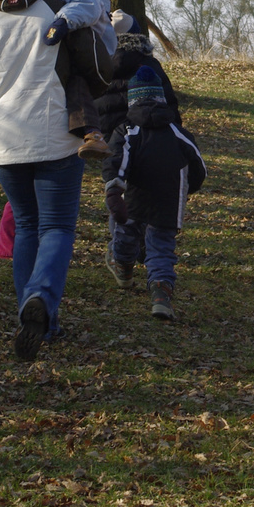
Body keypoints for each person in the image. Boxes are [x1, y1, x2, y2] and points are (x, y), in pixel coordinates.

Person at [0, 0, 109, 360]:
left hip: (3, 141)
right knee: (57, 228)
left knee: (26, 226)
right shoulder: (53, 11)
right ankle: (41, 299)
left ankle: (38, 318)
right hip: (54, 136)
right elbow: (93, 65)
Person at [102, 67, 207, 320]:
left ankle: (124, 270)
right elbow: (198, 168)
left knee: (125, 234)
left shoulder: (127, 131)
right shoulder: (178, 133)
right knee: (160, 248)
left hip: (133, 199)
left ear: (132, 99)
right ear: (161, 98)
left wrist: (114, 190)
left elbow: (117, 160)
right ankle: (160, 295)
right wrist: (187, 189)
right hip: (168, 201)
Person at [96, 12, 181, 136]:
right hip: (146, 140)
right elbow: (169, 103)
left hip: (105, 140)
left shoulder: (97, 65)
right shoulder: (151, 64)